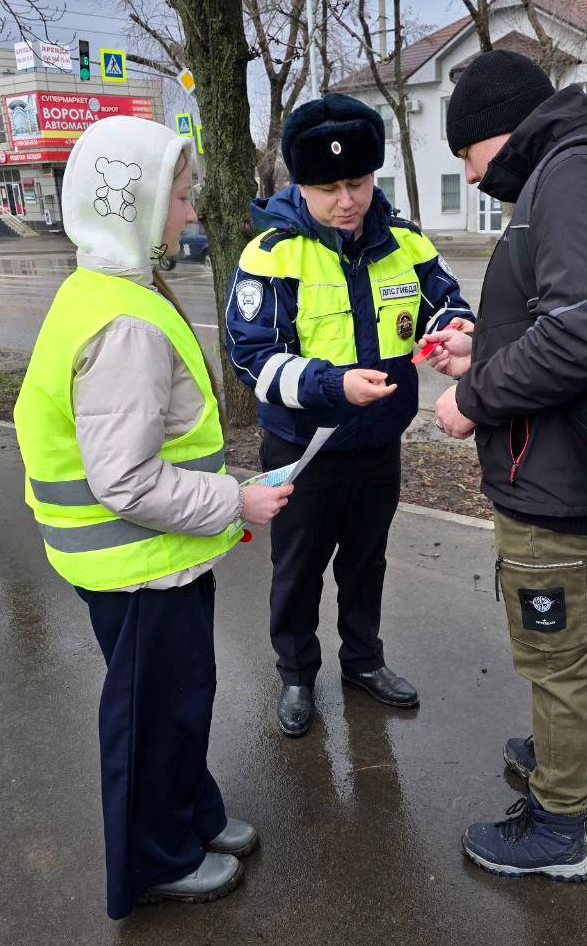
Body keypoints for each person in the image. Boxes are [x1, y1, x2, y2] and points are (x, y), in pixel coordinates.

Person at [13, 115, 292, 917]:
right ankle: (156, 858)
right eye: (177, 196)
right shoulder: (125, 320)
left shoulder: (105, 289)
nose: (189, 212)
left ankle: (191, 814)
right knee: (152, 714)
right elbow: (127, 480)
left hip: (147, 558)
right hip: (138, 562)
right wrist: (236, 500)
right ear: (130, 204)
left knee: (177, 699)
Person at [420, 50, 587, 882]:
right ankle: (574, 761)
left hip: (557, 480)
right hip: (573, 466)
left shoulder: (569, 178)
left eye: (467, 159)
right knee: (586, 634)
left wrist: (475, 397)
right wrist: (482, 349)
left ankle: (560, 823)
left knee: (558, 651)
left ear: (494, 136)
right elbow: (578, 321)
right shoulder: (573, 170)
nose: (474, 177)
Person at [226, 94, 474, 737]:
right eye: (328, 187)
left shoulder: (408, 247)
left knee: (367, 562)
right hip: (300, 454)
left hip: (376, 448)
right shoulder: (270, 255)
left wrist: (454, 333)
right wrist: (332, 385)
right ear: (300, 185)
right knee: (298, 568)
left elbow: (445, 305)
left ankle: (363, 661)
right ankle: (297, 675)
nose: (346, 200)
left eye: (357, 183)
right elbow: (252, 358)